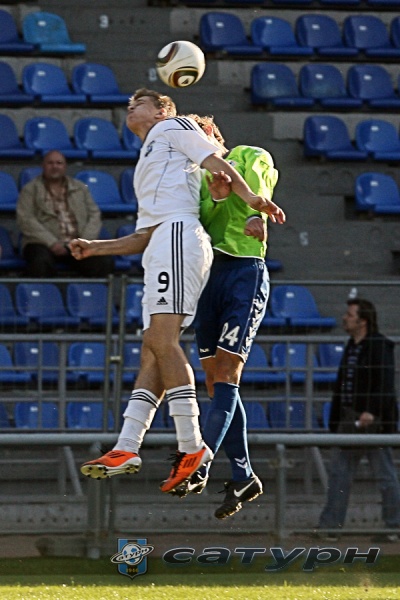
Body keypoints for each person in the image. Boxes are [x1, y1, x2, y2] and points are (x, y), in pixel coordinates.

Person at [69, 89, 286, 493]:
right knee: (152, 348)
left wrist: (254, 201)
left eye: (139, 103)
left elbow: (216, 160)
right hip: (162, 243)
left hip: (180, 241)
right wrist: (97, 247)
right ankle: (127, 445)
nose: (130, 107)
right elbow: (145, 233)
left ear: (162, 111)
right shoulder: (152, 156)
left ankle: (192, 446)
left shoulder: (175, 126)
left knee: (162, 341)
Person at [168, 115, 281, 519]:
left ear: (215, 134)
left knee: (229, 372)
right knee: (215, 381)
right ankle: (244, 475)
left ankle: (199, 460)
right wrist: (215, 199)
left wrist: (256, 215)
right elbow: (200, 223)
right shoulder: (198, 180)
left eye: (199, 133)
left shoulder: (249, 155)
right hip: (208, 279)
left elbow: (261, 185)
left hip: (243, 271)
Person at [318, 298, 400, 542]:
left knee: (384, 476)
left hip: (373, 422)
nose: (345, 318)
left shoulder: (378, 345)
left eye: (350, 315)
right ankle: (330, 527)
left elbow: (385, 382)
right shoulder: (353, 346)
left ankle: (394, 526)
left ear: (363, 321)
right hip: (351, 419)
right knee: (340, 474)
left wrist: (371, 411)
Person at [16, 150, 113, 278]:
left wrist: (84, 241)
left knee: (104, 262)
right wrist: (52, 243)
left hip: (77, 244)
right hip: (43, 244)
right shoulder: (30, 189)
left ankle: (83, 291)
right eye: (50, 163)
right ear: (43, 166)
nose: (55, 166)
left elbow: (94, 215)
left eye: (59, 163)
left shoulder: (80, 188)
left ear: (65, 166)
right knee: (40, 261)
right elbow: (26, 220)